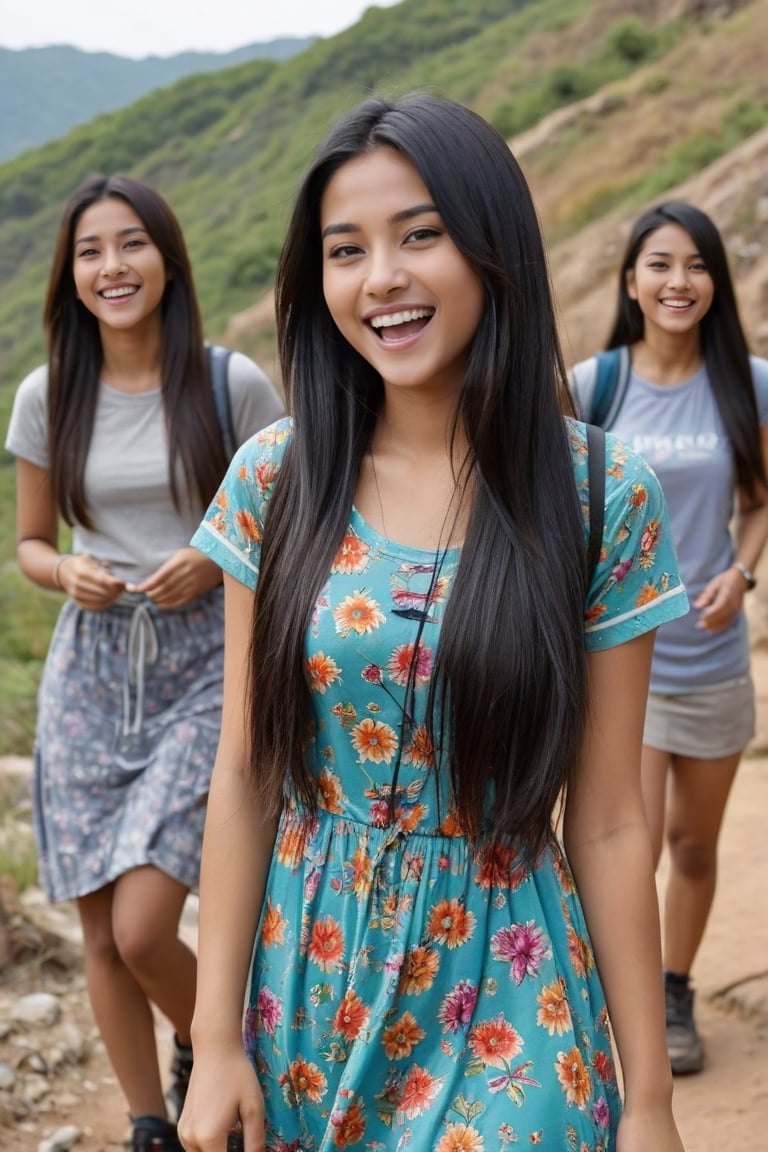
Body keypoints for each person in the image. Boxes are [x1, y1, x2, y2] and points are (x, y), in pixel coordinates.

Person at [178, 94, 690, 1152]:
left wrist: (649, 1102)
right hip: (308, 988)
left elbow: (606, 821)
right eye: (345, 250)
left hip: (517, 987)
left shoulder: (601, 493)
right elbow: (246, 769)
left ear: (493, 246)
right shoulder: (275, 479)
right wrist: (214, 1038)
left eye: (421, 235)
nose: (382, 280)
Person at [4, 174, 284, 1152]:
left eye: (131, 245)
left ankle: (225, 1054)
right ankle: (150, 1127)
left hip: (209, 665)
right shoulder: (49, 392)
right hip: (89, 674)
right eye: (90, 251)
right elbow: (31, 541)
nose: (111, 267)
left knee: (141, 925)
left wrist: (212, 555)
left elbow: (289, 518)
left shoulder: (230, 383)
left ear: (167, 259)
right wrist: (63, 570)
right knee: (97, 936)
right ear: (70, 273)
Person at [569, 200, 768, 1075]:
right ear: (630, 283)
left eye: (694, 265)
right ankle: (624, 1010)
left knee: (693, 847)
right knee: (630, 840)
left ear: (715, 283)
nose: (677, 281)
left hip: (716, 660)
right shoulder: (592, 387)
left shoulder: (750, 383)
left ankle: (676, 986)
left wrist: (744, 571)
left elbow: (759, 502)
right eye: (659, 264)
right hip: (626, 666)